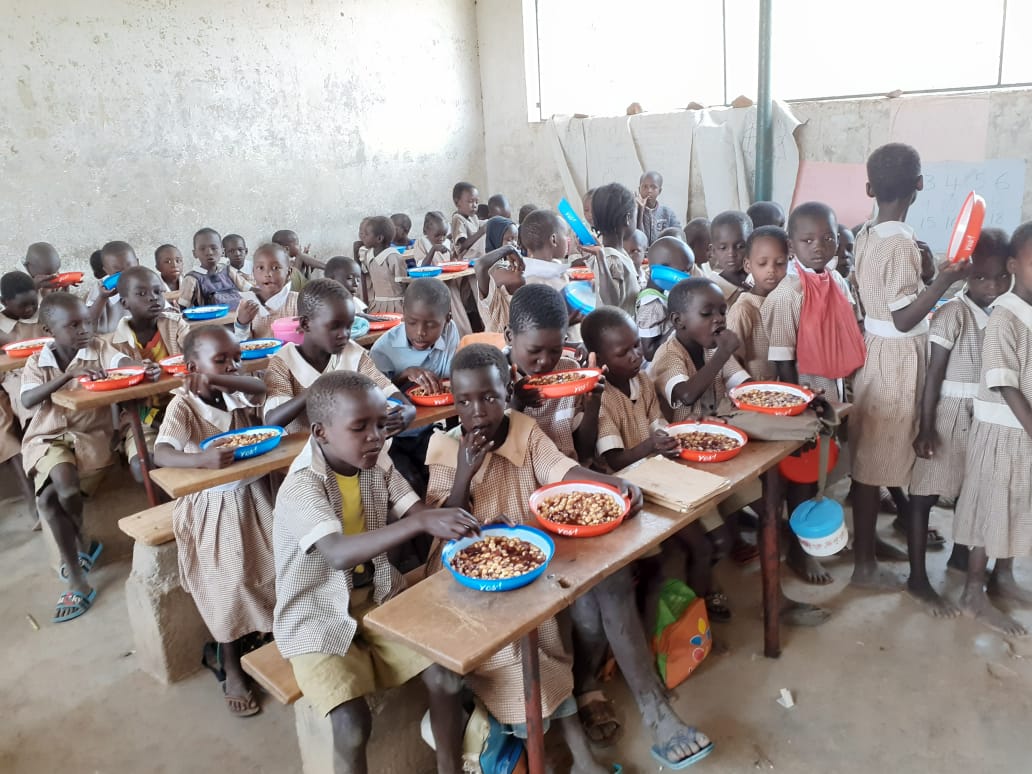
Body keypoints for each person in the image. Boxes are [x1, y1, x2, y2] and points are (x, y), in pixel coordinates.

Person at [424, 344, 633, 774]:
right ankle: (570, 753)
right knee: (521, 653)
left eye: (489, 397)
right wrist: (466, 469)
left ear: (508, 392)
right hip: (463, 576)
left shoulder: (523, 429)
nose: (477, 410)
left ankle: (570, 750)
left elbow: (560, 469)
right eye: (464, 401)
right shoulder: (444, 448)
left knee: (548, 636)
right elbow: (442, 524)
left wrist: (613, 485)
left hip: (525, 564)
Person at [273, 371, 477, 774]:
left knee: (446, 676)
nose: (376, 437)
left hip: (380, 593)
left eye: (381, 424)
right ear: (321, 432)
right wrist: (420, 524)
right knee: (350, 725)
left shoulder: (374, 460)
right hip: (315, 613)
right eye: (360, 427)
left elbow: (415, 511)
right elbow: (337, 554)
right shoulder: (302, 486)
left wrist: (464, 525)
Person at [849, 143, 970, 591]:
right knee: (873, 462)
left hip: (877, 350)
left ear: (869, 188)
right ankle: (864, 566)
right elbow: (904, 317)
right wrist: (945, 279)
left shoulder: (866, 232)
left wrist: (929, 274)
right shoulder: (899, 241)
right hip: (899, 357)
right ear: (919, 185)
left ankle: (869, 550)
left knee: (873, 457)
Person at [21, 293, 151, 623]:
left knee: (53, 499)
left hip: (88, 438)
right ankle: (79, 573)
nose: (84, 330)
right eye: (73, 325)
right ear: (49, 330)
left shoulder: (97, 350)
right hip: (47, 437)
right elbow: (27, 400)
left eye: (87, 322)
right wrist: (65, 378)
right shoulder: (38, 362)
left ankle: (81, 543)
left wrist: (140, 367)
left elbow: (122, 364)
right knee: (58, 492)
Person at [908, 230, 1011, 616]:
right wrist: (925, 426)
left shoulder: (1005, 313)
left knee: (973, 496)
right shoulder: (952, 313)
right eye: (982, 277)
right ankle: (917, 578)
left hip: (986, 419)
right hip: (948, 416)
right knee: (924, 497)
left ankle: (958, 558)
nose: (992, 285)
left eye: (1001, 277)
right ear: (967, 276)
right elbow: (933, 377)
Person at [263, 278, 413, 434]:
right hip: (304, 454)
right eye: (335, 327)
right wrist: (316, 390)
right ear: (306, 324)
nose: (344, 335)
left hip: (355, 450)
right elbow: (273, 419)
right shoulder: (283, 362)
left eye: (349, 326)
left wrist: (408, 410)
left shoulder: (353, 353)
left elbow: (385, 388)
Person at [370, 278, 459, 495]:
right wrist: (404, 375)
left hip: (427, 429)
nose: (420, 332)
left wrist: (453, 433)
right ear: (403, 314)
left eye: (431, 324)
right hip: (392, 439)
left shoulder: (450, 333)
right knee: (411, 481)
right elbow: (374, 401)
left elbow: (450, 386)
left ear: (447, 319)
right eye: (411, 322)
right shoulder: (383, 350)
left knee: (450, 469)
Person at [763, 203, 859, 402]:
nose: (818, 246)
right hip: (805, 389)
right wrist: (800, 400)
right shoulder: (788, 293)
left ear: (837, 240)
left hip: (836, 383)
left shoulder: (837, 280)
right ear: (791, 245)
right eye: (808, 240)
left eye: (828, 239)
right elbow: (783, 359)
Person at [106, 266, 190, 482]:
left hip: (185, 407)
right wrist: (153, 419)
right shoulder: (116, 344)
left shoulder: (175, 325)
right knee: (142, 466)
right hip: (143, 417)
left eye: (157, 291)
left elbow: (194, 353)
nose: (152, 298)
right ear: (124, 303)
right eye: (141, 294)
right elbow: (123, 399)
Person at [506, 284, 602, 462]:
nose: (545, 361)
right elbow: (496, 447)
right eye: (534, 350)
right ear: (510, 336)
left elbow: (584, 450)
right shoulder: (493, 379)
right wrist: (516, 404)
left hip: (568, 474)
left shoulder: (569, 373)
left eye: (555, 351)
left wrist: (593, 404)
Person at [652, 278, 749, 420]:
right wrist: (723, 354)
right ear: (678, 321)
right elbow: (687, 395)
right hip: (680, 435)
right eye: (706, 313)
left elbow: (744, 385)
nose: (719, 319)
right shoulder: (668, 354)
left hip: (717, 425)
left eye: (722, 312)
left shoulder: (714, 349)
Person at [0, 271, 43, 527]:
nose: (29, 309)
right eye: (22, 306)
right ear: (4, 303)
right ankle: (33, 498)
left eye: (33, 303)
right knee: (5, 431)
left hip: (39, 377)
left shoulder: (42, 315)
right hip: (10, 382)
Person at [726, 226, 788, 382]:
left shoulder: (788, 302)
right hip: (753, 396)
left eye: (780, 263)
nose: (771, 270)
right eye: (762, 263)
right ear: (748, 265)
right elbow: (730, 360)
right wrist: (745, 388)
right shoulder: (744, 309)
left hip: (783, 392)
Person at [636, 236, 695, 362]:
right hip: (659, 369)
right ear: (663, 271)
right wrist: (679, 325)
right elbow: (649, 353)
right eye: (684, 271)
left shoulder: (666, 292)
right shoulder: (651, 304)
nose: (688, 276)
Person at [590, 183, 641, 315]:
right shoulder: (611, 259)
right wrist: (601, 259)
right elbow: (611, 303)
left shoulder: (617, 253)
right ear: (628, 218)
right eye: (636, 215)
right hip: (618, 333)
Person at [234, 243, 299, 340]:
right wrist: (242, 324)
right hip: (258, 355)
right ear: (253, 273)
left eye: (275, 268)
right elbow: (241, 343)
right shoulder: (246, 304)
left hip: (289, 354)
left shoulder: (298, 301)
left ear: (288, 273)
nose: (267, 274)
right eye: (260, 268)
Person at [178, 228, 251, 310]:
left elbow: (248, 289)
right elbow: (183, 307)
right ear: (195, 253)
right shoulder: (191, 279)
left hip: (236, 318)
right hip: (209, 321)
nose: (209, 252)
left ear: (223, 252)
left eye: (214, 248)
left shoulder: (228, 271)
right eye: (202, 249)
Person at [86, 240, 140, 334]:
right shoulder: (101, 287)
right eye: (117, 273)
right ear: (106, 270)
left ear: (138, 263)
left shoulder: (146, 280)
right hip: (108, 342)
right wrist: (102, 297)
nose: (125, 275)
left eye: (130, 269)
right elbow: (88, 320)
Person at [357, 215, 408, 315]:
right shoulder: (368, 255)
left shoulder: (393, 256)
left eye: (366, 234)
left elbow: (403, 283)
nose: (363, 237)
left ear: (379, 238)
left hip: (396, 305)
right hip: (377, 305)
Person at [707, 211, 752, 305]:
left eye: (740, 246)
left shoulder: (759, 279)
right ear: (713, 251)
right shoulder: (709, 289)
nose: (731, 253)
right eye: (723, 248)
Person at [636, 171, 681, 244]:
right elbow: (637, 240)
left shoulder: (668, 213)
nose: (649, 191)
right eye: (645, 187)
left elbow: (679, 236)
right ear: (639, 189)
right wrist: (640, 211)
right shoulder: (633, 212)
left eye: (653, 187)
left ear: (659, 191)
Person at [451, 182, 487, 261]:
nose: (474, 205)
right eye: (470, 201)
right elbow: (462, 247)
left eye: (477, 202)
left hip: (477, 257)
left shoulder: (473, 218)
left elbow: (484, 224)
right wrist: (482, 231)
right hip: (465, 258)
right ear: (457, 202)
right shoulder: (457, 218)